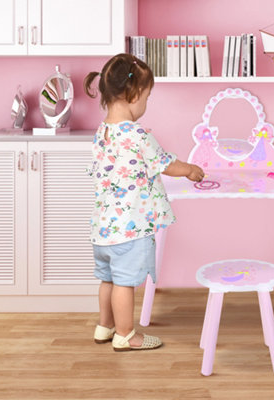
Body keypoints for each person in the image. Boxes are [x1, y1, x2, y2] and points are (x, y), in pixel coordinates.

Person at [84, 53, 204, 351]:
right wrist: (189, 169)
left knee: (108, 280)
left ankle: (105, 326)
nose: (146, 104)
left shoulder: (102, 132)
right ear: (133, 94)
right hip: (130, 229)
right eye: (147, 97)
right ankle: (126, 335)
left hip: (103, 229)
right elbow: (165, 163)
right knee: (125, 283)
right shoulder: (136, 135)